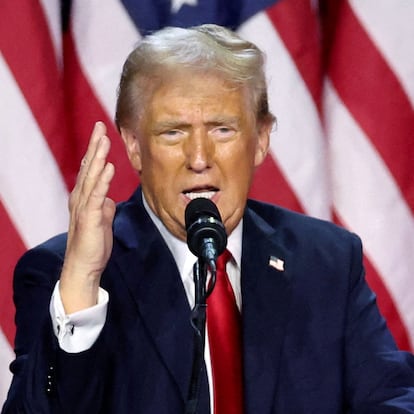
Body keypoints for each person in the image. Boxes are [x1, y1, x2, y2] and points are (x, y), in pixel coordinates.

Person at [2, 24, 414, 414]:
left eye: (222, 130)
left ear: (262, 139)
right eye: (173, 132)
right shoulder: (65, 275)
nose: (199, 159)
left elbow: (392, 397)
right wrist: (82, 284)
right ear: (133, 146)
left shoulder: (326, 261)